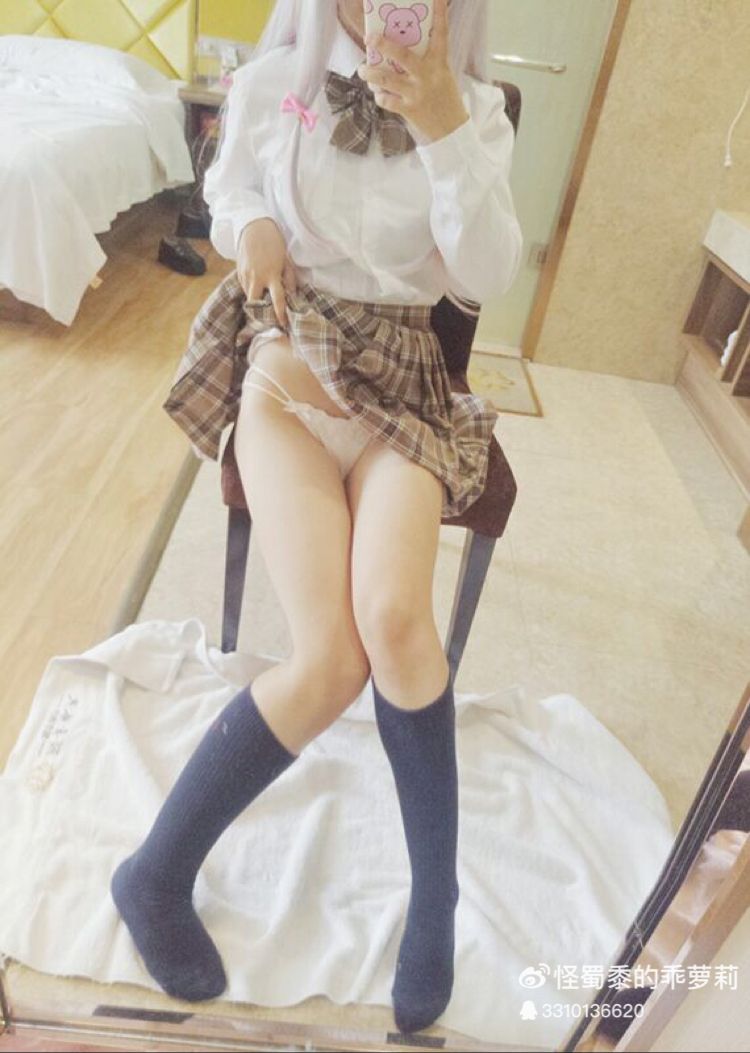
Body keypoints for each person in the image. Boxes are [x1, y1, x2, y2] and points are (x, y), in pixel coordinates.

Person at [111, 0, 522, 1035]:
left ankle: (435, 898)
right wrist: (250, 224)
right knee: (329, 659)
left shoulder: (475, 111)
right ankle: (154, 872)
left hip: (406, 392)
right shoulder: (273, 83)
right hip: (291, 377)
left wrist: (441, 123)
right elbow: (232, 184)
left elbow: (483, 275)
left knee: (396, 621)